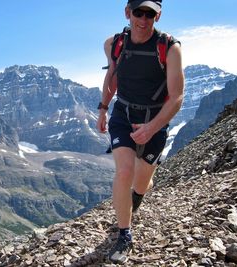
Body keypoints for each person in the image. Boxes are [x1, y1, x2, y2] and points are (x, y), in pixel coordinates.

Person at [96, 0, 184, 264]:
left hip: (154, 117)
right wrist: (103, 108)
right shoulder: (114, 44)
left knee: (142, 181)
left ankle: (138, 195)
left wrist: (152, 127)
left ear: (158, 16)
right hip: (123, 114)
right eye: (138, 12)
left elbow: (177, 97)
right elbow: (112, 75)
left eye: (150, 14)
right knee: (124, 171)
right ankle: (125, 233)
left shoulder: (170, 48)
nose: (143, 20)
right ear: (127, 12)